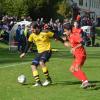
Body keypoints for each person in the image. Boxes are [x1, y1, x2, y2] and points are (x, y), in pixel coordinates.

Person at [63, 23, 95, 89]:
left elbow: (83, 42)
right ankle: (84, 82)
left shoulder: (74, 36)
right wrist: (63, 41)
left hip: (81, 54)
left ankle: (86, 82)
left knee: (77, 68)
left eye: (65, 31)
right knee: (72, 69)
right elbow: (70, 45)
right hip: (77, 56)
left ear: (69, 30)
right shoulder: (69, 36)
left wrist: (74, 48)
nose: (65, 32)